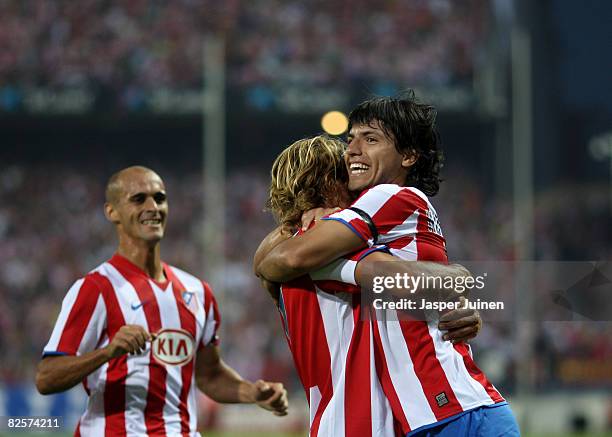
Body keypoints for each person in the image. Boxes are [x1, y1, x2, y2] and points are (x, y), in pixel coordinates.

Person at [256, 93, 520, 436]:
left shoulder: (390, 198)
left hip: (444, 413)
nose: (352, 150)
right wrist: (458, 282)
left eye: (370, 139)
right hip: (423, 416)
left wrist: (458, 285)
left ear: (408, 156)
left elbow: (274, 262)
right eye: (350, 140)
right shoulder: (334, 246)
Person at [36, 166, 288, 436]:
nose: (152, 206)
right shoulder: (96, 288)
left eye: (159, 198)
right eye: (138, 199)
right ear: (112, 212)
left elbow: (210, 375)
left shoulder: (198, 292)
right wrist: (107, 353)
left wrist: (252, 392)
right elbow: (47, 376)